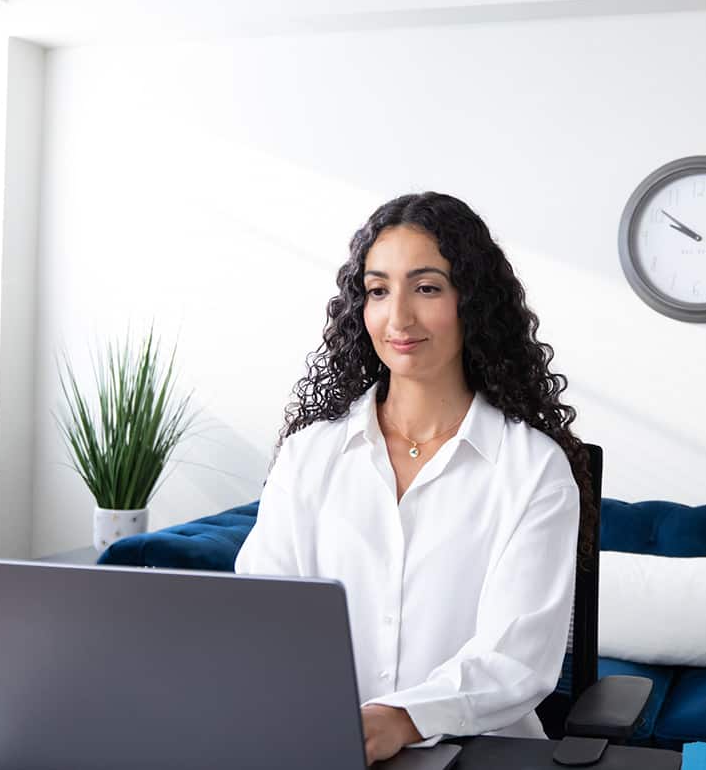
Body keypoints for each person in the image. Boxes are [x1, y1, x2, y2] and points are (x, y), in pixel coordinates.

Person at [234, 191, 593, 766]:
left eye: (426, 288)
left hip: (479, 754)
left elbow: (515, 659)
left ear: (471, 303)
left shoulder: (533, 469)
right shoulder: (308, 456)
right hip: (322, 748)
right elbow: (259, 618)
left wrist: (397, 719)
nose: (397, 317)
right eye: (378, 291)